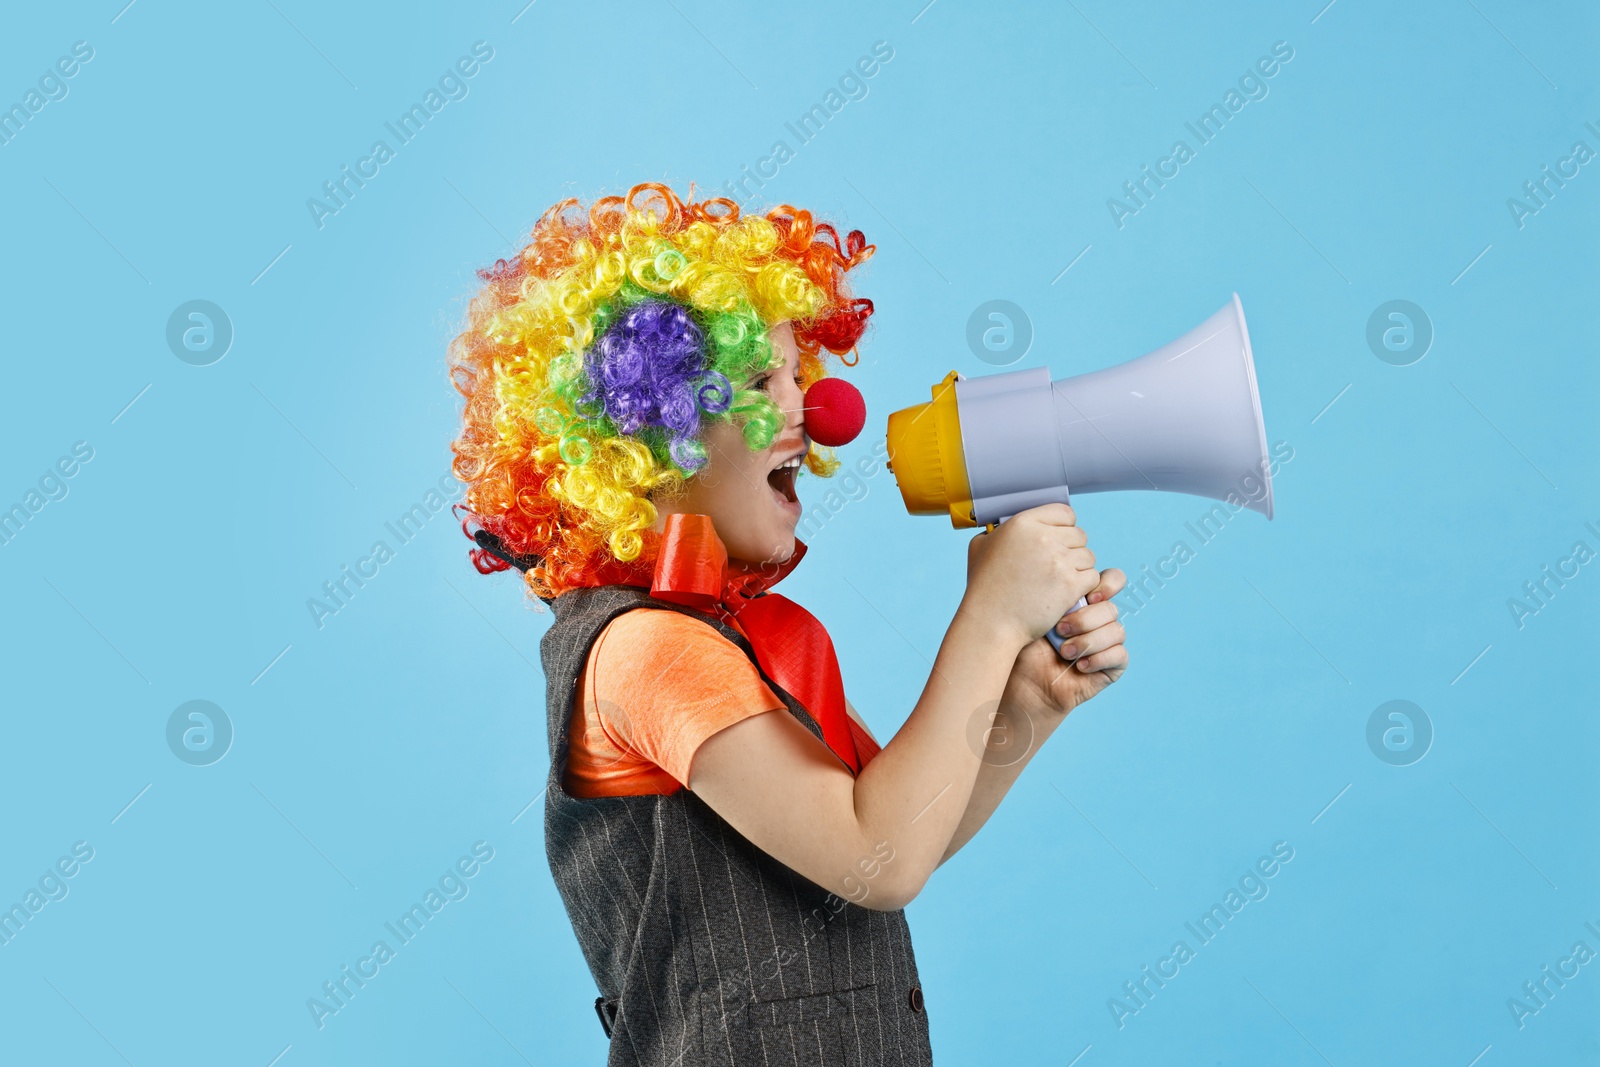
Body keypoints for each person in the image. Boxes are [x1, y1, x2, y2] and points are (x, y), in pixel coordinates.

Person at [447, 183, 1128, 1066]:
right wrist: (990, 619)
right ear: (653, 429)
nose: (819, 410)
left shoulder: (753, 637)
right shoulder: (643, 650)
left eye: (801, 373)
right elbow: (877, 857)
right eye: (763, 380)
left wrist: (1022, 709)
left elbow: (900, 824)